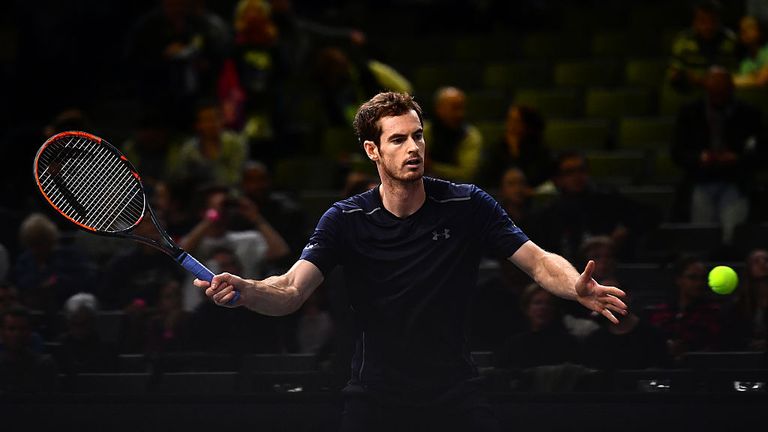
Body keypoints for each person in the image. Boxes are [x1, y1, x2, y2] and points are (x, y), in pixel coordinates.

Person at [194, 92, 627, 431]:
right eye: (398, 139)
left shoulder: (466, 204)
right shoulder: (345, 219)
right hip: (375, 395)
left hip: (455, 390)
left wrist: (574, 286)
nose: (413, 147)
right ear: (373, 150)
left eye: (417, 135)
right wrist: (248, 291)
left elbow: (537, 261)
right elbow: (290, 291)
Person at [671, 66, 763, 245]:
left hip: (736, 182)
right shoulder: (690, 112)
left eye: (723, 90)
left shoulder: (749, 114)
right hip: (700, 181)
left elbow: (761, 153)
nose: (718, 95)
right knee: (700, 237)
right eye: (714, 90)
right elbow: (677, 152)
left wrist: (737, 158)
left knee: (734, 237)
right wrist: (701, 157)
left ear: (731, 89)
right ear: (707, 90)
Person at [647, 256, 722, 363]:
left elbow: (715, 348)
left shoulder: (714, 313)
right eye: (692, 278)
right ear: (679, 280)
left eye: (703, 278)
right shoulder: (661, 312)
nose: (699, 283)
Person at [667, 0, 739, 93]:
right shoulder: (683, 40)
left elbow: (736, 71)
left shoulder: (729, 40)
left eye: (712, 21)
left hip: (722, 92)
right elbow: (673, 71)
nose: (708, 26)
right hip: (689, 90)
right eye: (702, 21)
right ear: (694, 22)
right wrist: (690, 78)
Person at [479, 104, 552, 190]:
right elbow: (483, 178)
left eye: (516, 121)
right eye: (509, 120)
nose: (510, 126)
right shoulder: (499, 146)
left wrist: (514, 152)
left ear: (528, 125)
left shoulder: (540, 150)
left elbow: (531, 180)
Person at [423, 86, 483, 183]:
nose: (460, 114)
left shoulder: (470, 136)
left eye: (462, 108)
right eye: (455, 108)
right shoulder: (424, 131)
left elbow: (466, 174)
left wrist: (432, 167)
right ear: (439, 109)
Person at [0, 306, 58, 393]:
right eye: (11, 329)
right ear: (2, 332)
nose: (17, 334)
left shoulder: (44, 365)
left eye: (22, 329)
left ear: (30, 332)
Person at [734, 15, 768, 87]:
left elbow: (762, 79)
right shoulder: (745, 60)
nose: (744, 31)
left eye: (750, 27)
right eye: (742, 29)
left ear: (760, 30)